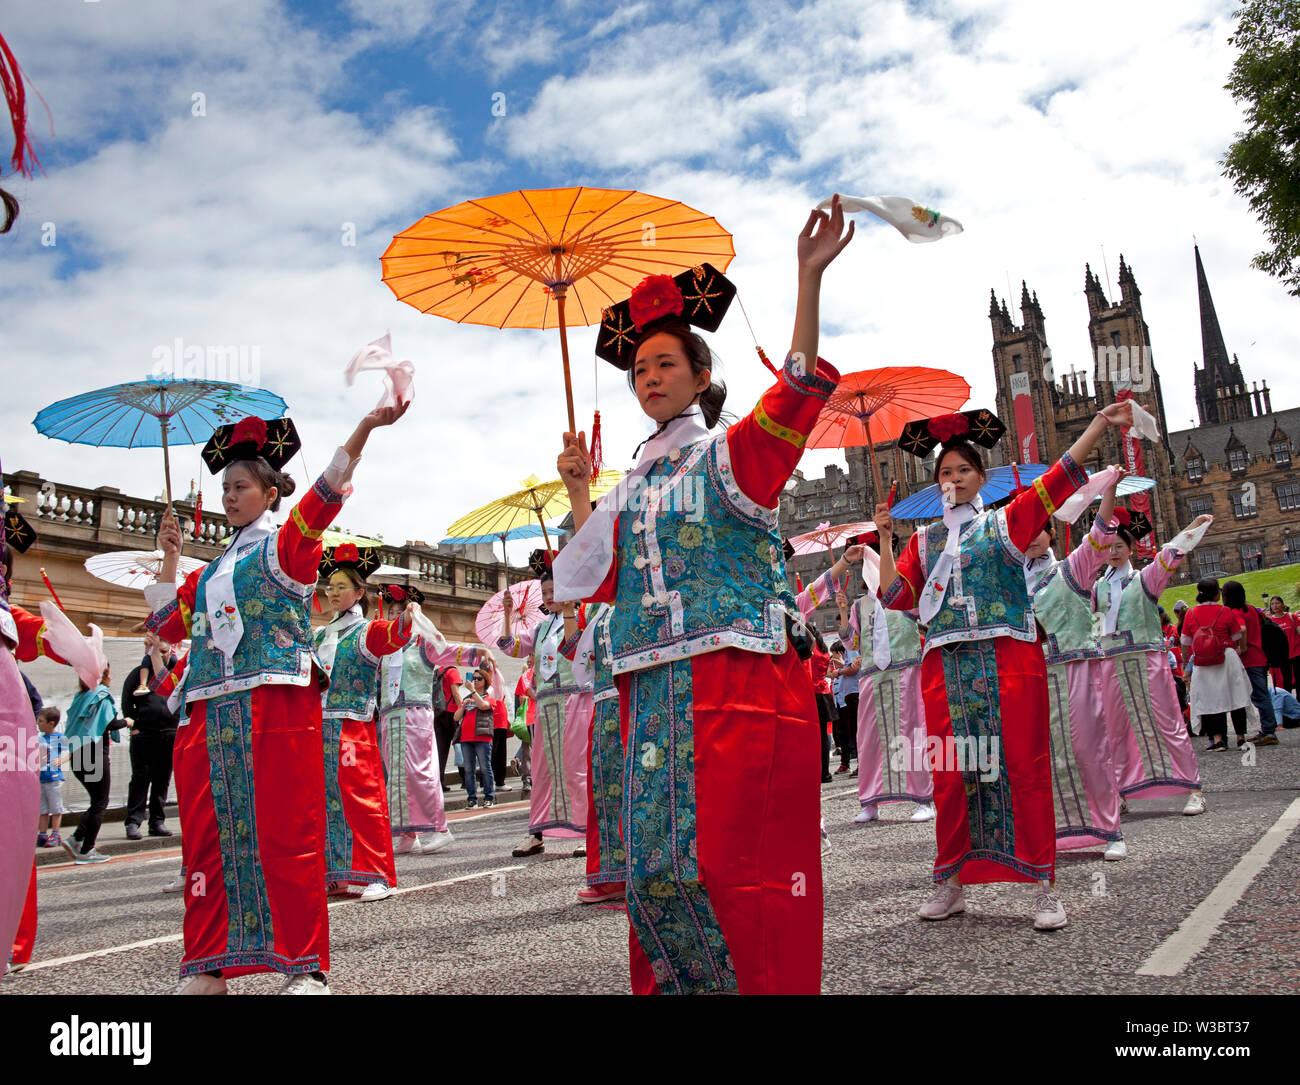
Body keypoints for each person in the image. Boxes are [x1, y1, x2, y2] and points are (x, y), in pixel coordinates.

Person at [553, 198, 854, 994]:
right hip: (651, 693)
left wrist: (806, 279)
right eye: (640, 369)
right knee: (656, 866)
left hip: (738, 688)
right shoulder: (634, 483)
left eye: (665, 365)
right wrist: (582, 490)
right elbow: (598, 572)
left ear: (700, 375)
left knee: (735, 867)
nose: (649, 378)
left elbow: (793, 396)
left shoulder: (731, 456)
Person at [145, 403, 407, 995]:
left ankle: (304, 964)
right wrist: (168, 555)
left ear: (269, 492)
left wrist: (362, 430)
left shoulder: (288, 548)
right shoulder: (209, 571)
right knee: (213, 839)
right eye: (225, 488)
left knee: (286, 834)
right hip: (212, 714)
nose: (230, 497)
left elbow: (327, 495)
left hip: (274, 710)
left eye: (240, 487)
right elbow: (165, 626)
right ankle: (211, 962)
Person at [877, 397, 1137, 931]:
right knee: (952, 776)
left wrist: (1097, 427)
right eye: (945, 472)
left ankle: (1044, 886)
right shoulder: (923, 543)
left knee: (1022, 768)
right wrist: (884, 539)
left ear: (980, 476)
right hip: (945, 670)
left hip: (1008, 663)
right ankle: (950, 881)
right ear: (936, 481)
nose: (954, 478)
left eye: (963, 470)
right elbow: (895, 596)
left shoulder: (1006, 524)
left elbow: (1058, 481)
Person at [1091, 509, 1211, 815]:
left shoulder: (1144, 579)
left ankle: (1193, 788)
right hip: (1111, 663)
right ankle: (1120, 792)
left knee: (1167, 722)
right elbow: (1093, 626)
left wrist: (1192, 529)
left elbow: (1170, 554)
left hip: (1147, 660)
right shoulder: (1098, 588)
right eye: (1108, 547)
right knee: (1114, 730)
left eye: (1119, 546)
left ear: (1130, 548)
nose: (1113, 552)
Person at [315, 546, 415, 903]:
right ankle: (335, 873)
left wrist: (408, 619)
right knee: (325, 801)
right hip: (319, 728)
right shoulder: (321, 635)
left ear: (359, 592)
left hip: (352, 728)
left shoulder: (366, 631)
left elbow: (394, 636)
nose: (333, 592)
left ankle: (379, 874)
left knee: (362, 801)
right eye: (330, 586)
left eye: (342, 586)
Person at [831, 538, 933, 824]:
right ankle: (871, 800)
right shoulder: (860, 606)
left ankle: (923, 798)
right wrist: (841, 610)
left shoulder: (906, 596)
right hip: (873, 676)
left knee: (913, 735)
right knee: (870, 740)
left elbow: (924, 616)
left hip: (905, 671)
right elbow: (851, 641)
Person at [377, 584, 481, 857]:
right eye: (391, 613)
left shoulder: (423, 645)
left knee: (420, 773)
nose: (395, 618)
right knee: (396, 776)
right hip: (391, 717)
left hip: (415, 717)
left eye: (401, 613)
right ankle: (406, 832)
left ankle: (440, 828)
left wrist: (478, 652)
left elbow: (447, 651)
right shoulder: (386, 648)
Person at [499, 550, 590, 858]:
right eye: (545, 593)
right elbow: (510, 647)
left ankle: (590, 832)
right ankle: (535, 832)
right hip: (547, 706)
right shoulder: (540, 628)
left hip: (577, 700)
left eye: (554, 590)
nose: (550, 597)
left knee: (577, 768)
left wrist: (572, 611)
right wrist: (507, 616)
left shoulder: (584, 616)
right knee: (542, 771)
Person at [563, 602, 628, 904]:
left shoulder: (640, 588)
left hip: (637, 694)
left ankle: (645, 874)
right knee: (605, 790)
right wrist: (566, 609)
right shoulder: (594, 610)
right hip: (604, 702)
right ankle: (611, 875)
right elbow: (574, 651)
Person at [60, 665, 127, 864]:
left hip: (77, 753)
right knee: (100, 802)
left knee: (95, 800)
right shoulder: (101, 695)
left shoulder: (80, 696)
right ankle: (86, 849)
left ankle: (76, 838)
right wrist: (128, 722)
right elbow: (110, 724)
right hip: (94, 754)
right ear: (101, 677)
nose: (111, 677)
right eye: (108, 673)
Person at [120, 631, 179, 840]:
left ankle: (157, 821)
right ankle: (134, 822)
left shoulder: (176, 672)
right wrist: (133, 724)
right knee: (140, 778)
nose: (162, 656)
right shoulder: (139, 673)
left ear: (170, 650)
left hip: (169, 733)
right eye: (158, 652)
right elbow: (127, 699)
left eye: (165, 652)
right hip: (144, 733)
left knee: (162, 779)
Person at [1180, 578, 1251, 749]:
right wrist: (1241, 648)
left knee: (1211, 700)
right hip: (1226, 656)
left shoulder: (1191, 613)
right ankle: (1240, 736)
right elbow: (1236, 635)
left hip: (1203, 661)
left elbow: (1185, 641)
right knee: (1236, 697)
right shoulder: (1225, 611)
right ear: (1216, 593)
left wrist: (1184, 660)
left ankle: (1219, 739)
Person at [1221, 580, 1280, 746]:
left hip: (1250, 659)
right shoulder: (1251, 608)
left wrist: (1243, 648)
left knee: (1259, 695)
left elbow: (1242, 629)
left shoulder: (1235, 611)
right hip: (1260, 656)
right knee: (1261, 694)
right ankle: (1267, 729)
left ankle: (1269, 731)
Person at [453, 669, 502, 808]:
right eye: (473, 678)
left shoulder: (489, 696)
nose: (475, 680)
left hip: (482, 737)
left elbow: (483, 706)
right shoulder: (467, 697)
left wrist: (474, 692)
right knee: (468, 769)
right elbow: (456, 717)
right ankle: (472, 798)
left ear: (485, 681)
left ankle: (489, 797)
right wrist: (463, 705)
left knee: (485, 768)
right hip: (466, 738)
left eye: (479, 678)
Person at [35, 707, 67, 850]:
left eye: (41, 721)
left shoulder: (59, 737)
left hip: (54, 778)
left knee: (55, 808)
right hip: (41, 778)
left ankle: (55, 834)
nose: (38, 723)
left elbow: (69, 751)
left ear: (51, 723)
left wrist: (61, 760)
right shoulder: (38, 738)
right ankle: (42, 834)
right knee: (42, 809)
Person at [1267, 595, 1299, 695]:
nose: (1275, 606)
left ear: (1283, 604)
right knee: (1287, 681)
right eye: (1272, 604)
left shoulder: (1291, 617)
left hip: (1297, 652)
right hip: (1283, 656)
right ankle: (1288, 701)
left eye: (1277, 603)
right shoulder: (1270, 621)